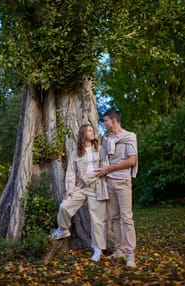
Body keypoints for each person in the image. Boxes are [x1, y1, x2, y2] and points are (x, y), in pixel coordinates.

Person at [50, 124, 109, 262]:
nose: (92, 132)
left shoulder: (100, 150)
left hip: (97, 186)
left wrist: (85, 178)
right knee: (65, 206)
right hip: (80, 187)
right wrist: (70, 190)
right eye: (89, 130)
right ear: (83, 134)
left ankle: (98, 250)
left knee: (97, 220)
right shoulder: (75, 153)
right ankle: (63, 228)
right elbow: (70, 173)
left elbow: (104, 169)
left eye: (92, 130)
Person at [95, 109, 138, 268]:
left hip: (123, 181)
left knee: (127, 218)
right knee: (114, 218)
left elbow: (131, 161)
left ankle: (130, 255)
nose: (104, 123)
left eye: (106, 120)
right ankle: (119, 249)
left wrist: (109, 169)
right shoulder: (106, 139)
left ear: (114, 121)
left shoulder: (129, 137)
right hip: (109, 182)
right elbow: (102, 158)